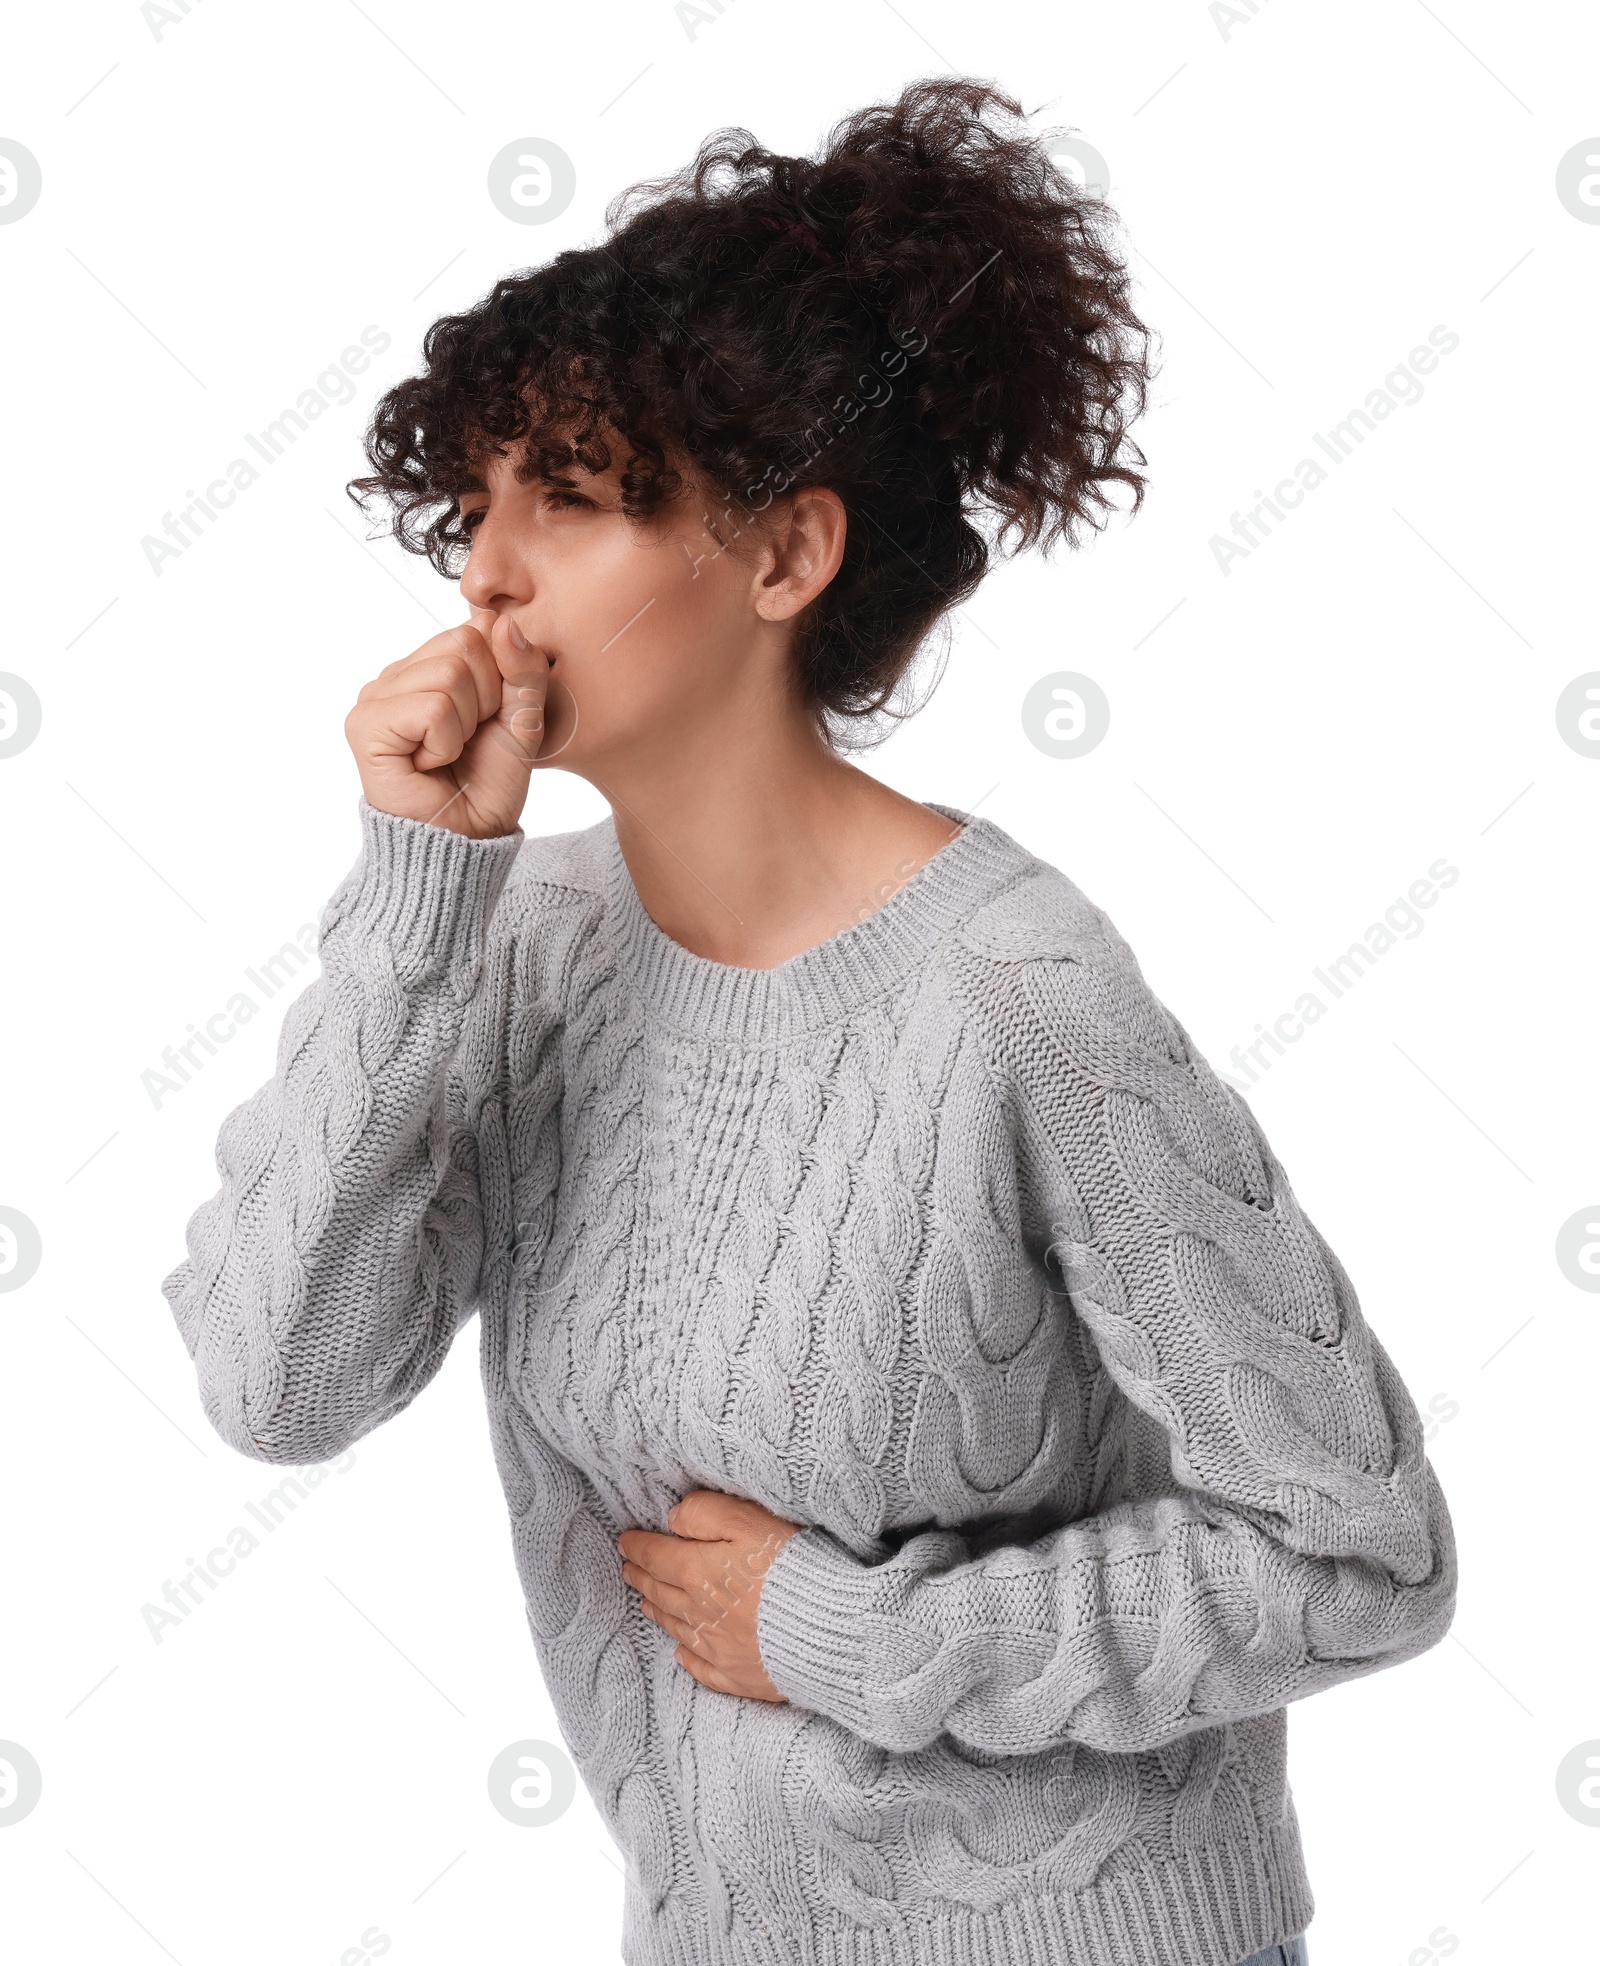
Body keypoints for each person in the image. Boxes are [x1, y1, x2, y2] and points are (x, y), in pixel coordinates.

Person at [161, 76, 1456, 1966]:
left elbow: (1363, 1557)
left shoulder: (1018, 999)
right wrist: (415, 898)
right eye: (478, 505)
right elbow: (276, 1387)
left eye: (573, 502)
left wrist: (862, 1639)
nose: (486, 574)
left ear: (786, 557)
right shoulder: (511, 948)